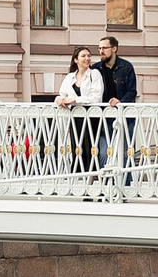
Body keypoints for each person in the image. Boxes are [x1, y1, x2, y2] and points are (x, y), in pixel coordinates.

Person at [96, 35, 138, 182]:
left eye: (104, 48)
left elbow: (132, 92)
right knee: (103, 153)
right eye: (99, 48)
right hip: (103, 118)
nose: (101, 51)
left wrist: (120, 101)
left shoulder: (126, 67)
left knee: (125, 153)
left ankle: (124, 188)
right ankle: (105, 187)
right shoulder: (96, 69)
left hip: (125, 117)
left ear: (114, 49)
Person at [55, 46, 102, 174]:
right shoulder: (70, 76)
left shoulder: (94, 74)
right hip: (75, 118)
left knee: (90, 149)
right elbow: (62, 94)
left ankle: (90, 181)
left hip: (90, 118)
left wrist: (75, 99)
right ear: (76, 60)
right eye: (83, 56)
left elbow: (96, 98)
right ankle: (77, 178)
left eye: (89, 56)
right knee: (77, 148)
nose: (87, 59)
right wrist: (59, 99)